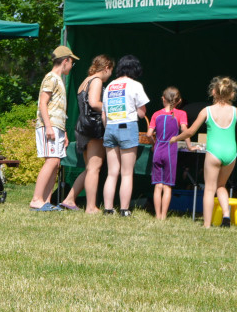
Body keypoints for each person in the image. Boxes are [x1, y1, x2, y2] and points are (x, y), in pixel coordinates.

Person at [172, 76, 237, 228]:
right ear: (231, 94)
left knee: (209, 188)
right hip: (231, 152)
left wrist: (175, 138)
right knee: (222, 186)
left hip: (214, 152)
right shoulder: (235, 111)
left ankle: (207, 224)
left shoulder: (207, 111)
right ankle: (226, 217)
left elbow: (190, 132)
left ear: (213, 92)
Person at [60, 55, 114, 213]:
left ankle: (69, 199)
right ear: (106, 68)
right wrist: (112, 107)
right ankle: (91, 207)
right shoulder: (96, 81)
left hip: (82, 127)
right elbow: (94, 103)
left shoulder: (85, 80)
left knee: (89, 168)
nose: (110, 75)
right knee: (94, 168)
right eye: (110, 71)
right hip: (93, 128)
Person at [29, 46, 77, 211]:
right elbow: (43, 103)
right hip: (47, 126)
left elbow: (58, 109)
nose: (72, 66)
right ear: (65, 61)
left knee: (56, 163)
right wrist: (49, 127)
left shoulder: (59, 80)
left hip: (57, 127)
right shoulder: (51, 78)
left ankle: (46, 201)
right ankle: (36, 199)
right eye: (72, 62)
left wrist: (63, 131)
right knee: (51, 160)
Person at [101, 54, 149, 216]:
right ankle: (124, 209)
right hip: (127, 127)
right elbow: (142, 113)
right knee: (127, 172)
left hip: (110, 127)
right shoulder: (135, 85)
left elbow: (104, 114)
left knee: (112, 172)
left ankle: (108, 209)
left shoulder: (109, 86)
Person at [148, 87, 192, 220]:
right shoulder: (181, 114)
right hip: (170, 152)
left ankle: (157, 215)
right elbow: (186, 131)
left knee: (158, 185)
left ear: (163, 99)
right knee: (167, 186)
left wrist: (153, 144)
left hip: (158, 151)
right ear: (178, 101)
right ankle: (163, 216)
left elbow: (149, 134)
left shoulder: (156, 114)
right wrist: (189, 147)